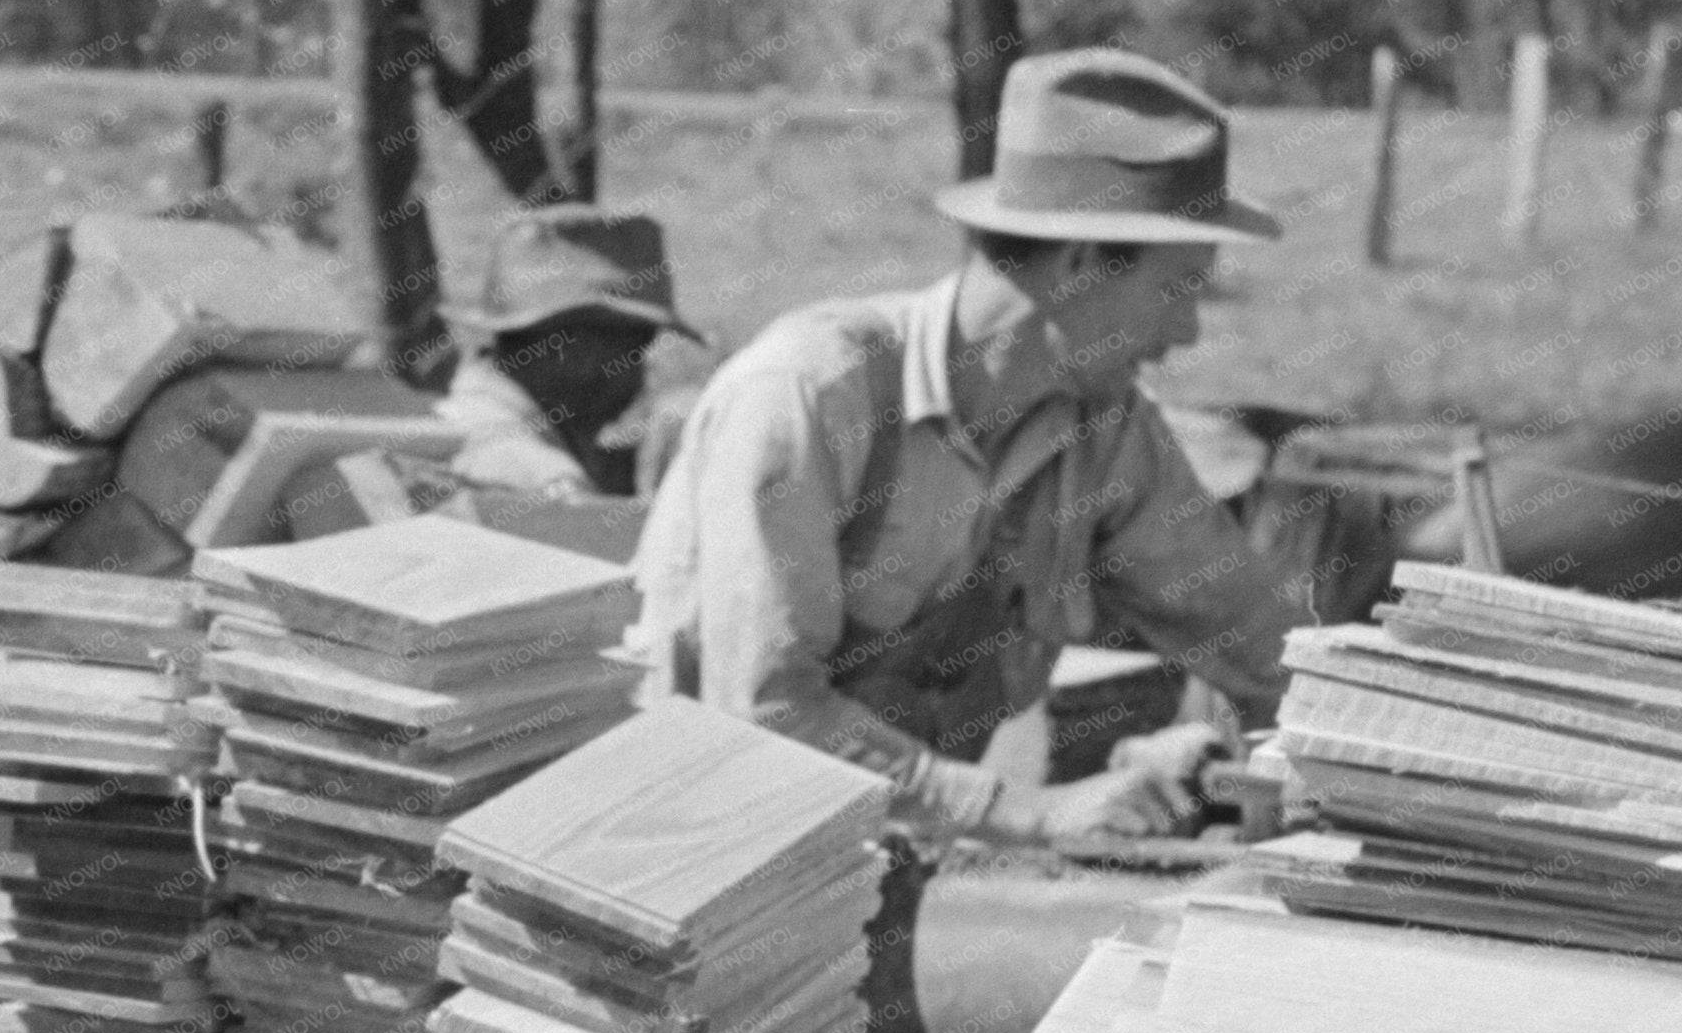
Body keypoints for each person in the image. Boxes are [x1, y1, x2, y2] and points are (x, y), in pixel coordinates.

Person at [629, 47, 1312, 853]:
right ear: (1083, 262)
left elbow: (1256, 641)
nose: (1185, 334)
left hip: (867, 857)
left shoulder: (1104, 430)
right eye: (1179, 288)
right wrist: (1032, 811)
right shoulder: (810, 395)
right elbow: (768, 714)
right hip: (675, 852)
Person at [435, 205, 703, 500]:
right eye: (632, 346)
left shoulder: (557, 427)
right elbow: (496, 450)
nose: (643, 366)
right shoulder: (486, 437)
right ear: (564, 343)